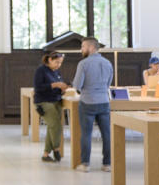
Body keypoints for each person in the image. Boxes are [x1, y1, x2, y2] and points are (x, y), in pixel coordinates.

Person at [72, 37, 114, 172]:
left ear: (91, 47)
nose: (81, 49)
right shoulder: (108, 63)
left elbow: (77, 85)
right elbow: (108, 84)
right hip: (104, 101)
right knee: (107, 134)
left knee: (86, 133)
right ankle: (107, 164)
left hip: (87, 102)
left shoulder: (83, 64)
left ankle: (85, 164)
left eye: (83, 46)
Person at [33, 52, 68, 163]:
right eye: (57, 62)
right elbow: (38, 88)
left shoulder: (56, 71)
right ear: (49, 60)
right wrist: (54, 85)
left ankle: (46, 154)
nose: (59, 65)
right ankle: (56, 149)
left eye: (61, 63)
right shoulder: (41, 70)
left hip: (56, 100)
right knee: (56, 126)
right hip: (43, 102)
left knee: (51, 128)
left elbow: (58, 86)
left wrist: (62, 89)